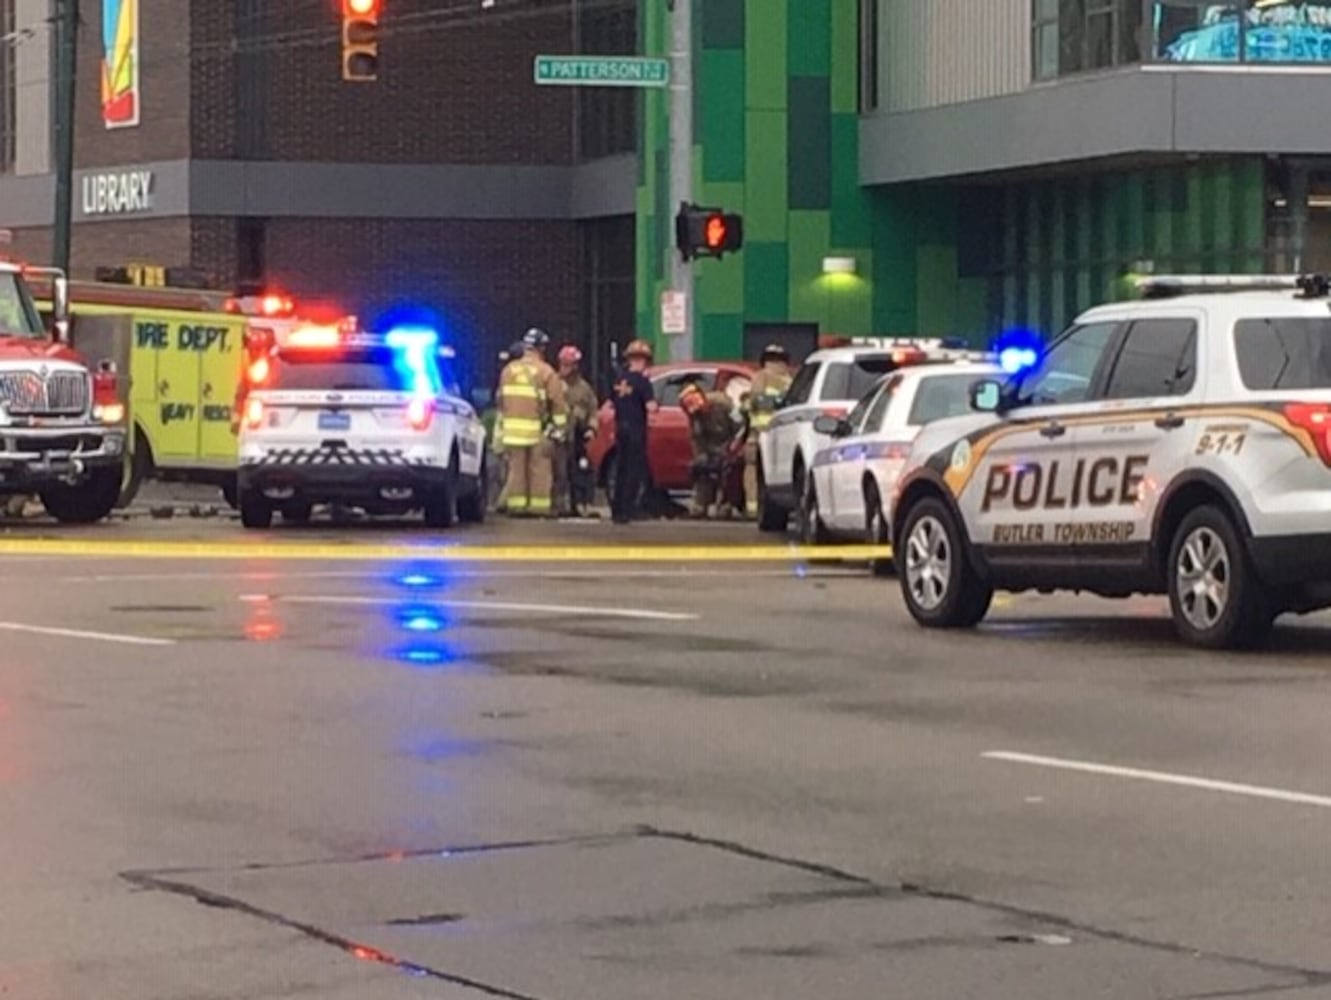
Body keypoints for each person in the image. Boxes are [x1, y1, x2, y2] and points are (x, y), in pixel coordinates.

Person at [494, 328, 567, 517]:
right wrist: (560, 428)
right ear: (541, 348)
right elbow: (557, 404)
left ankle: (517, 507)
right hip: (537, 431)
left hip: (511, 431)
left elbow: (500, 400)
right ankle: (538, 508)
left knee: (516, 470)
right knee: (540, 470)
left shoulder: (508, 371)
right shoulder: (546, 372)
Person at [679, 380, 744, 519]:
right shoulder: (694, 415)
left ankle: (727, 504)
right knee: (702, 469)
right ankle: (701, 504)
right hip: (711, 448)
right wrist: (700, 456)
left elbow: (741, 425)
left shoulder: (724, 404)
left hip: (730, 444)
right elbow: (696, 438)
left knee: (731, 470)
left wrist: (734, 447)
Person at [741, 344, 793, 517]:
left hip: (759, 433)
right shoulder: (791, 382)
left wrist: (744, 407)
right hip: (784, 436)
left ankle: (753, 508)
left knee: (752, 469)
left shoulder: (760, 377)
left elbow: (751, 404)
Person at [609, 338, 656, 524]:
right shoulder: (643, 382)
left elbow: (613, 402)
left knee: (621, 469)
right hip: (636, 430)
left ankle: (616, 510)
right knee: (634, 471)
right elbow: (651, 407)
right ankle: (627, 511)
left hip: (620, 428)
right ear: (644, 360)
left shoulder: (619, 380)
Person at [553, 344, 599, 517]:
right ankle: (559, 505)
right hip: (558, 437)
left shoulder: (584, 389)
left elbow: (593, 410)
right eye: (563, 364)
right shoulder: (554, 384)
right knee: (560, 473)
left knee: (580, 472)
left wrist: (591, 429)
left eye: (568, 365)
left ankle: (580, 504)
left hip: (578, 437)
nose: (565, 368)